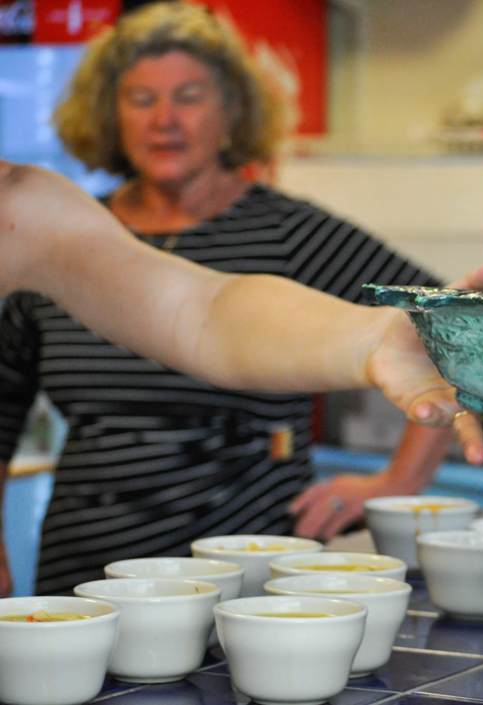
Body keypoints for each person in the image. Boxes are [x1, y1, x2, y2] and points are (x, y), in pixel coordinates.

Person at [0, 2, 459, 595]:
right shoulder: (59, 228)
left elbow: (202, 315)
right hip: (88, 569)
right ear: (109, 114)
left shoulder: (287, 231)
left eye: (188, 97)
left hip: (249, 564)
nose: (164, 119)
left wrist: (398, 479)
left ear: (232, 112)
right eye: (141, 100)